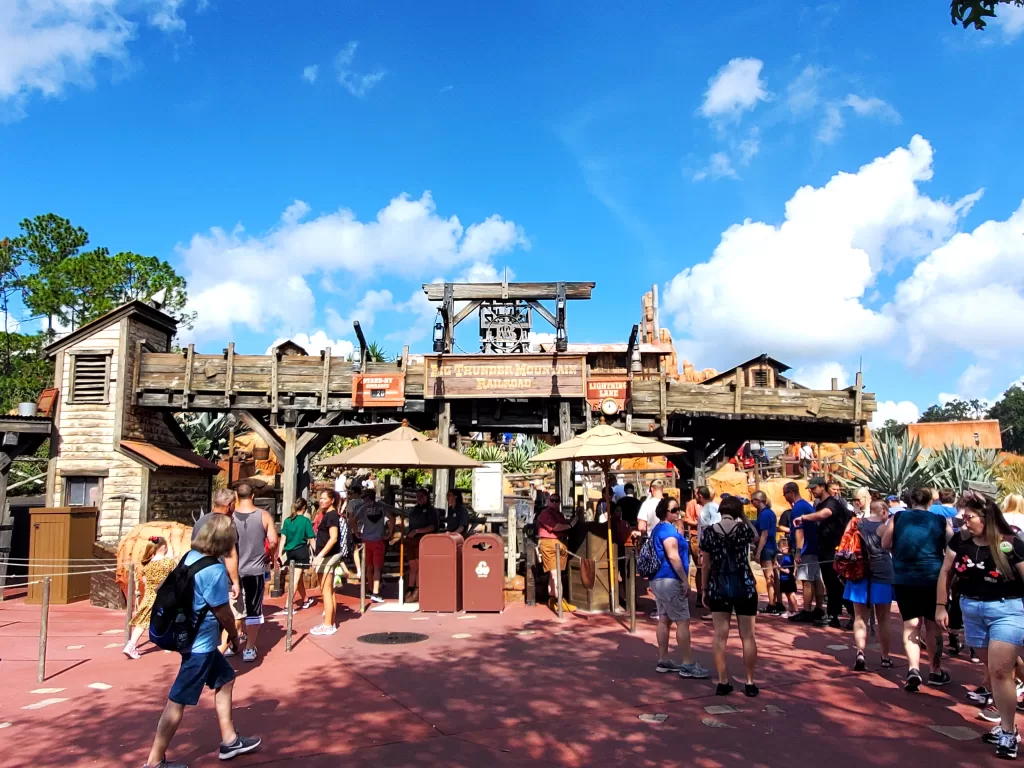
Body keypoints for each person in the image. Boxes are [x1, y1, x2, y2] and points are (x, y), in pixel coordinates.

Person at [142, 514, 260, 768]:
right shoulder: (214, 570)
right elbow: (223, 612)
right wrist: (235, 637)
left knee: (226, 678)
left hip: (190, 637)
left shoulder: (190, 558)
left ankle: (230, 739)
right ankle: (154, 762)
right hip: (201, 645)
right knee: (178, 700)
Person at [937, 491, 1024, 759]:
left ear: (986, 517)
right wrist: (941, 605)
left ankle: (1008, 732)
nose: (964, 522)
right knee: (994, 670)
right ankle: (1006, 721)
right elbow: (945, 571)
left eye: (969, 517)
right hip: (971, 610)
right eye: (962, 517)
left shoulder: (1011, 543)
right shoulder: (960, 542)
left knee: (999, 671)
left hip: (1007, 610)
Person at [881, 487, 953, 692]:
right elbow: (952, 545)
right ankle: (935, 671)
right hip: (932, 577)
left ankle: (913, 668)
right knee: (932, 625)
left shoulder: (898, 518)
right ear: (930, 502)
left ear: (910, 501)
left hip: (904, 577)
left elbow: (885, 542)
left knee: (911, 624)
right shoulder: (940, 521)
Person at [700, 496, 759, 697]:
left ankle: (723, 680)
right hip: (744, 584)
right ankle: (750, 682)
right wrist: (743, 516)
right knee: (748, 636)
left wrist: (703, 589)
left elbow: (705, 564)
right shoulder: (743, 530)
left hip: (718, 585)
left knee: (720, 635)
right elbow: (757, 536)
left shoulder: (709, 532)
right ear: (737, 511)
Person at [650, 498, 709, 679]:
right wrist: (685, 579)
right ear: (664, 512)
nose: (678, 513)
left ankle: (663, 658)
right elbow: (673, 556)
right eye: (674, 510)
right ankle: (688, 663)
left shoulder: (659, 529)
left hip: (659, 579)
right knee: (682, 620)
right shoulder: (667, 530)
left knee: (664, 619)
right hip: (670, 579)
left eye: (678, 509)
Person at [843, 501, 894, 671]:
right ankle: (885, 657)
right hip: (882, 573)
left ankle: (860, 652)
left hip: (858, 573)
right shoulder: (884, 528)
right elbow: (891, 547)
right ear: (884, 511)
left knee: (859, 617)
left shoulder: (856, 524)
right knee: (884, 617)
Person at [230, 483, 277, 663]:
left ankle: (234, 642)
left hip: (233, 569)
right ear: (253, 496)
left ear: (236, 496)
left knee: (234, 608)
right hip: (255, 569)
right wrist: (268, 556)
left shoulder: (230, 516)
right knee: (253, 609)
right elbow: (273, 541)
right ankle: (249, 648)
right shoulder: (263, 515)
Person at [795, 477, 851, 628]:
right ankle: (833, 615)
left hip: (834, 549)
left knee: (838, 583)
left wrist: (803, 518)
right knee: (831, 584)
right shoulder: (819, 503)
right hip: (825, 549)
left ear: (822, 487)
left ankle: (852, 614)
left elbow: (825, 514)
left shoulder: (831, 502)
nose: (812, 491)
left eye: (814, 488)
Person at [191, 489, 241, 653]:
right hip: (220, 577)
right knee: (232, 616)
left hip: (199, 577)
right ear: (228, 505)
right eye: (234, 504)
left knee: (205, 620)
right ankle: (219, 653)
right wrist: (235, 582)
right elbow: (230, 555)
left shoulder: (200, 522)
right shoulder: (228, 524)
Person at [124, 536, 177, 660]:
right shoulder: (169, 562)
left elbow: (144, 580)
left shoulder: (148, 564)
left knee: (143, 622)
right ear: (163, 547)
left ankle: (131, 644)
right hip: (164, 596)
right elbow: (175, 578)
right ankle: (170, 642)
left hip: (149, 596)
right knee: (171, 618)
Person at [785, 482, 824, 624]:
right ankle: (819, 608)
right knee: (816, 578)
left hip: (806, 548)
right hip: (814, 547)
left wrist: (798, 551)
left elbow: (799, 530)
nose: (785, 497)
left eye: (785, 494)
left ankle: (807, 610)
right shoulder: (807, 505)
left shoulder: (798, 508)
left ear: (791, 492)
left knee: (806, 580)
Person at [535, 493, 576, 612]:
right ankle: (560, 601)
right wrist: (570, 524)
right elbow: (556, 527)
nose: (554, 503)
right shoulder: (545, 514)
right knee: (555, 574)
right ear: (548, 501)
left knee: (554, 574)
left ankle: (552, 598)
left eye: (557, 501)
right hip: (550, 544)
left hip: (561, 544)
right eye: (552, 500)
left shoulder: (559, 514)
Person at [310, 489, 343, 636]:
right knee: (329, 591)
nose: (322, 501)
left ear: (332, 500)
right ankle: (330, 621)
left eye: (325, 498)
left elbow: (334, 537)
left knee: (326, 591)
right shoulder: (327, 515)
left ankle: (328, 624)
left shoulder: (331, 516)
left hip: (327, 556)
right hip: (325, 555)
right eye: (320, 498)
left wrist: (320, 556)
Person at [355, 488, 395, 603]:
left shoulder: (363, 508)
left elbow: (353, 520)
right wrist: (389, 533)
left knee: (369, 566)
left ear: (367, 497)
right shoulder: (382, 507)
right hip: (378, 539)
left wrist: (357, 532)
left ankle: (371, 589)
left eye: (364, 498)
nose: (363, 500)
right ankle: (375, 592)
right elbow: (392, 519)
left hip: (366, 540)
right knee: (377, 567)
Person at [278, 498, 316, 611]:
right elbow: (311, 539)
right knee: (295, 579)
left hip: (290, 552)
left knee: (297, 578)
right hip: (301, 551)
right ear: (304, 508)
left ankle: (305, 599)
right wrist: (317, 553)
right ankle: (287, 606)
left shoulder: (287, 521)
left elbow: (283, 539)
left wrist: (280, 553)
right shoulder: (305, 521)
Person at [405, 488, 438, 603]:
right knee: (413, 566)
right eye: (417, 496)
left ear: (427, 497)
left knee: (420, 566)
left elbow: (432, 527)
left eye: (421, 496)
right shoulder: (414, 510)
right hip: (411, 541)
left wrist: (418, 531)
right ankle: (410, 588)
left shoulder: (431, 511)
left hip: (424, 540)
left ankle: (418, 590)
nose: (419, 498)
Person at [751, 491, 781, 615]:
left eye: (753, 501)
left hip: (767, 548)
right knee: (774, 575)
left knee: (769, 576)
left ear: (758, 501)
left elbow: (764, 534)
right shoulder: (770, 513)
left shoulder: (764, 514)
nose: (752, 503)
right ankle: (778, 601)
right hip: (773, 546)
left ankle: (772, 604)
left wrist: (758, 553)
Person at [777, 537, 799, 617]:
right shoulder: (784, 556)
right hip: (784, 579)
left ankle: (796, 610)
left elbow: (788, 571)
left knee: (791, 595)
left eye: (781, 548)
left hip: (788, 579)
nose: (780, 550)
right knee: (788, 595)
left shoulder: (788, 557)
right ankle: (791, 610)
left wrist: (779, 568)